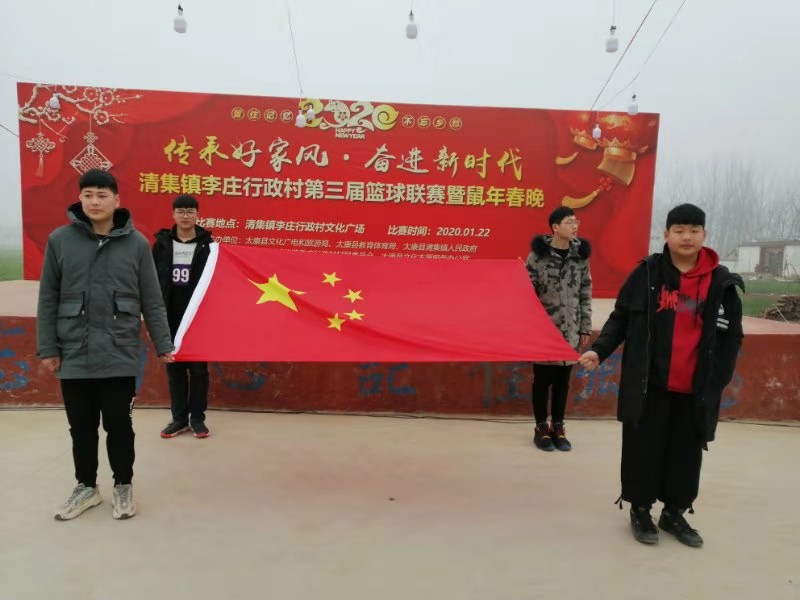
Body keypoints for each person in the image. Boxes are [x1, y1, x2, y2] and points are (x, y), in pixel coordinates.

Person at [579, 203, 744, 547]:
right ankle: (640, 510)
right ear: (666, 235)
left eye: (694, 230)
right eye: (679, 230)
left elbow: (732, 336)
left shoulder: (721, 283)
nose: (686, 237)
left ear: (704, 235)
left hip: (695, 389)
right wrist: (600, 349)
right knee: (644, 449)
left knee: (686, 453)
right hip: (649, 384)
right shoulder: (647, 275)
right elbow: (621, 317)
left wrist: (718, 378)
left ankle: (674, 513)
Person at [37, 169, 174, 521]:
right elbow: (48, 297)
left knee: (119, 427)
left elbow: (152, 299)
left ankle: (123, 485)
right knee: (81, 429)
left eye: (101, 195)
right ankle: (86, 487)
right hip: (74, 352)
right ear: (80, 199)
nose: (94, 201)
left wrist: (163, 344)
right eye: (88, 195)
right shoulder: (60, 240)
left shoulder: (137, 244)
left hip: (119, 353)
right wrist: (48, 347)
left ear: (116, 200)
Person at [526, 206, 592, 451]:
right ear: (555, 227)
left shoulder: (580, 257)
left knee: (563, 382)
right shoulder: (537, 257)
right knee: (542, 381)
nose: (575, 226)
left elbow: (585, 293)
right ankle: (541, 428)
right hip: (544, 330)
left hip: (571, 329)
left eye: (576, 222)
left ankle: (559, 427)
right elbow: (527, 294)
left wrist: (585, 328)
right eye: (569, 222)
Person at [152, 195, 213, 439]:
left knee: (199, 370)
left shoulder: (209, 246)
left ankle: (197, 418)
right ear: (173, 214)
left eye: (190, 211)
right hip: (170, 315)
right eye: (181, 211)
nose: (185, 215)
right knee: (174, 369)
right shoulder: (161, 244)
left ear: (197, 215)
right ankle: (179, 419)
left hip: (199, 316)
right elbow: (151, 279)